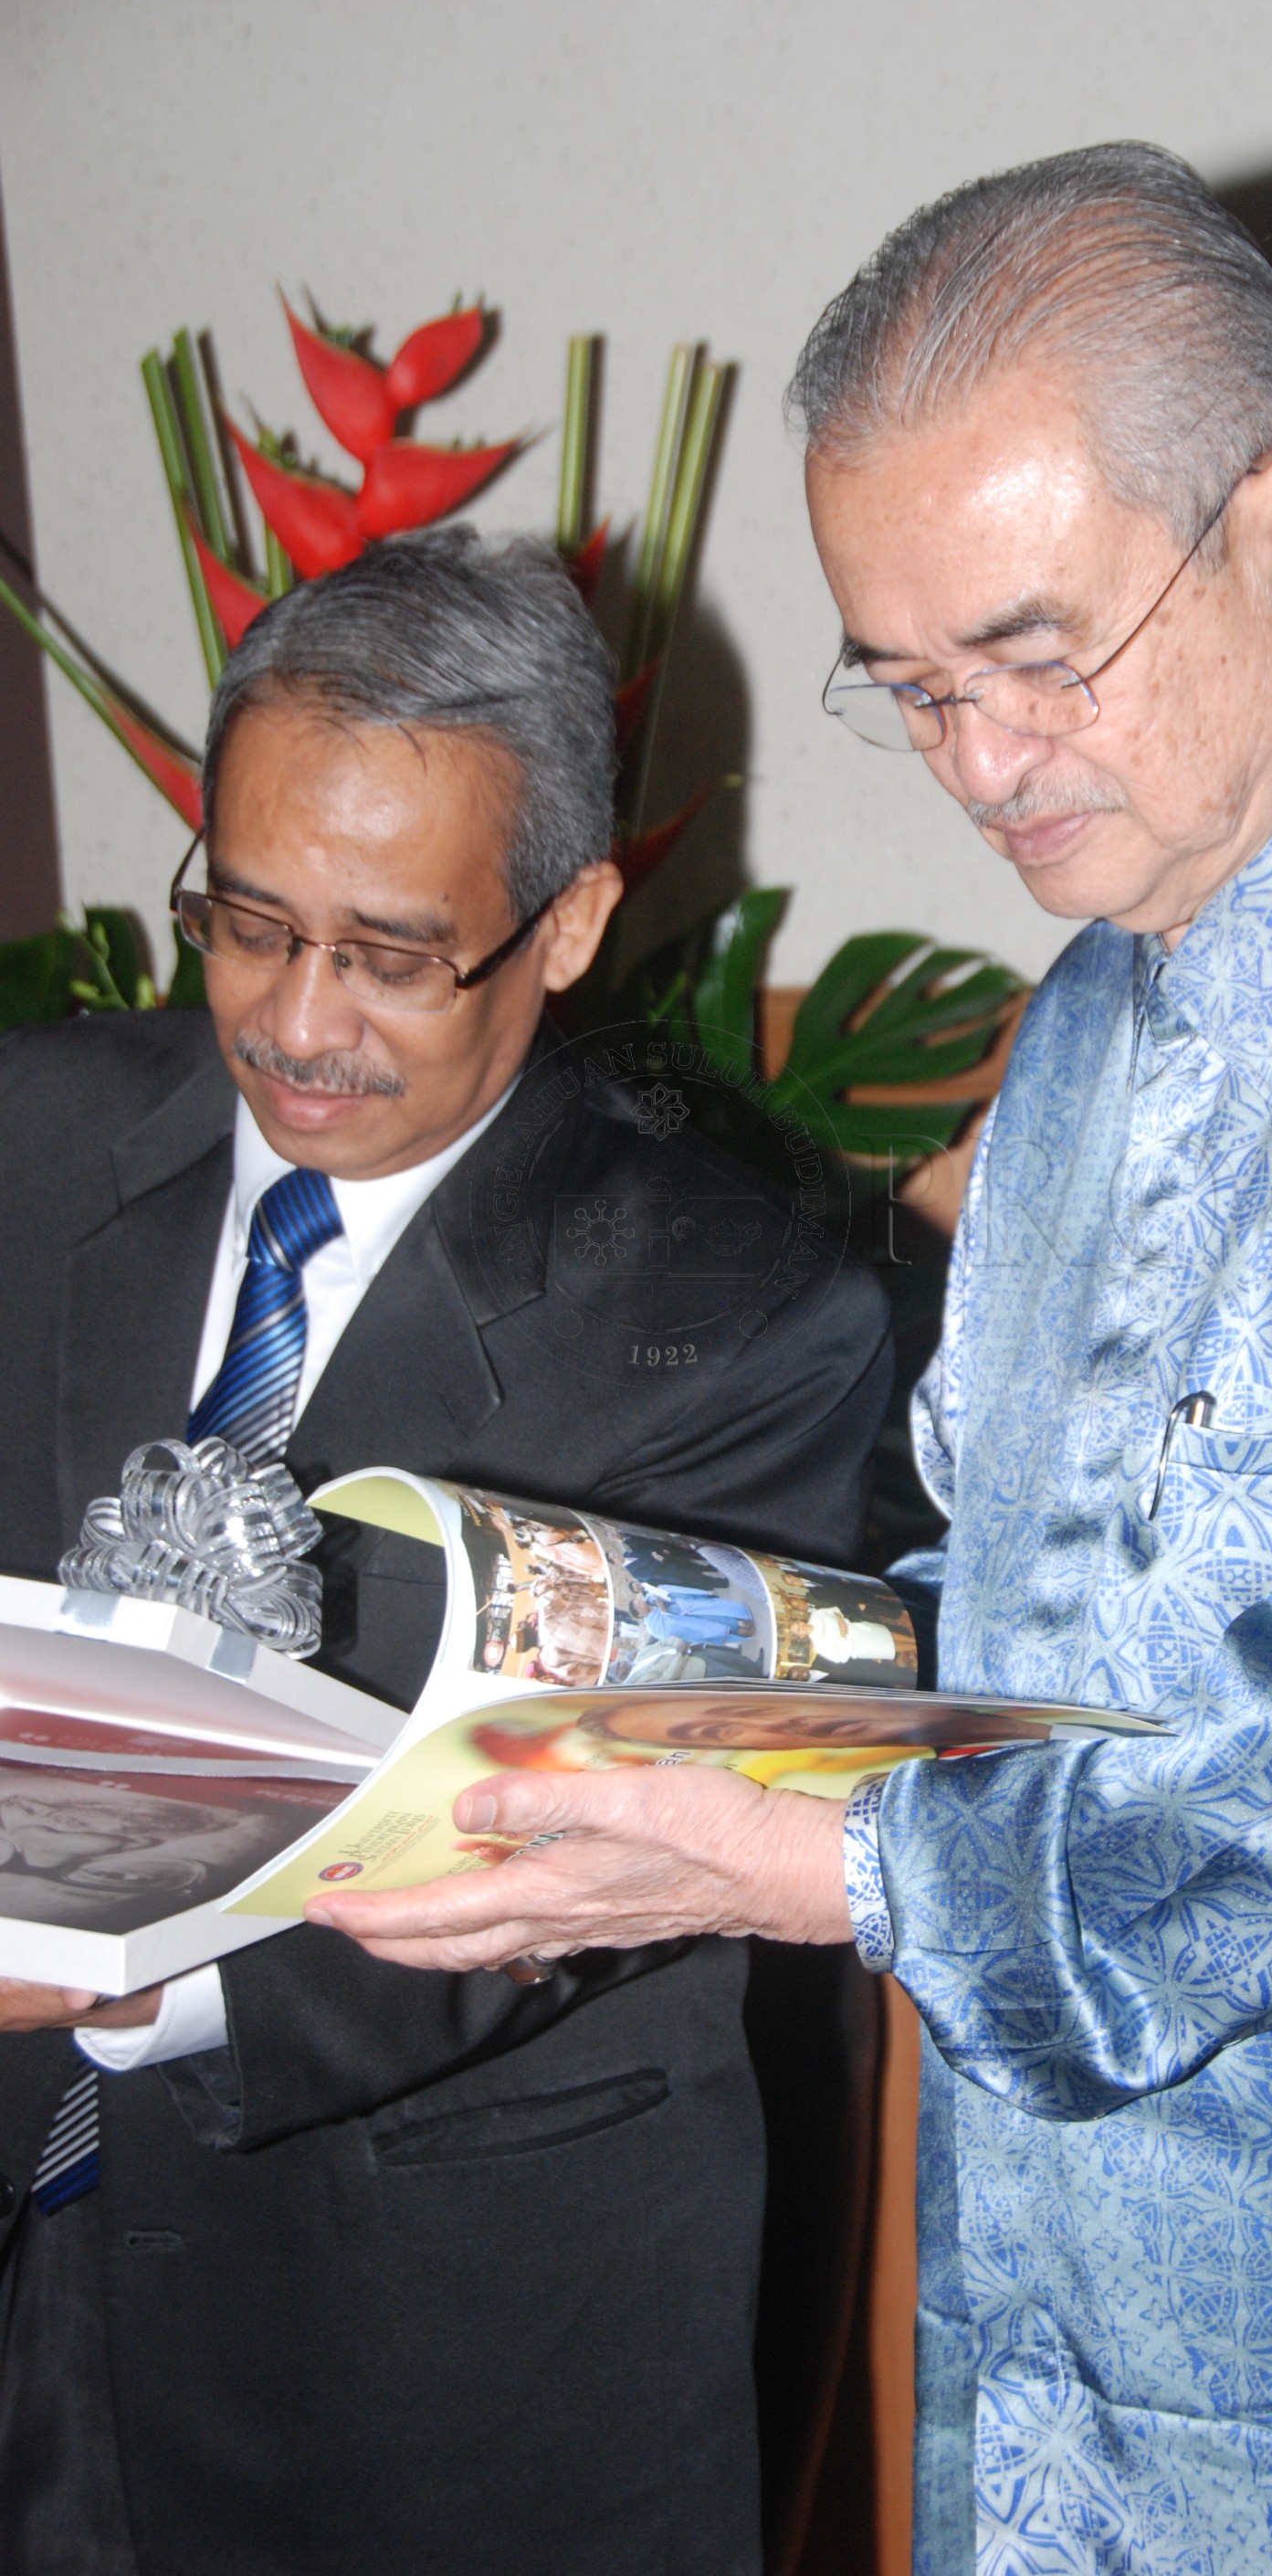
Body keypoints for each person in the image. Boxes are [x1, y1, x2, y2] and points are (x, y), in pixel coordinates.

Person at [317, 148, 1272, 2569]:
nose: (983, 759)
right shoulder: (1097, 1021)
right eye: (913, 687)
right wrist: (590, 1707)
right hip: (1087, 2379)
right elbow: (1036, 1617)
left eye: (1038, 653)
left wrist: (818, 1867)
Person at [0, 531, 892, 2576]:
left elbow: (596, 1850)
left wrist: (100, 1975)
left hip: (440, 2354)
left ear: (569, 923)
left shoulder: (739, 1314)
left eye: (396, 953)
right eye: (246, 920)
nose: (299, 1022)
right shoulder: (28, 1140)